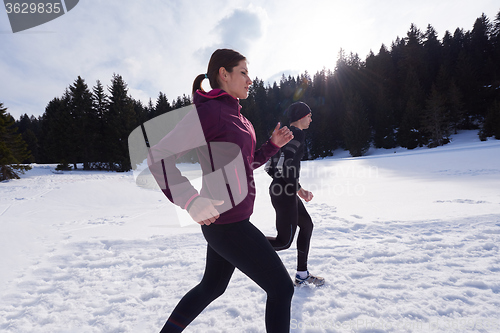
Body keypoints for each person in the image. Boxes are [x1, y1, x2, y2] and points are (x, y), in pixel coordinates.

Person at [147, 49, 295, 333]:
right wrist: (190, 200)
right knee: (281, 289)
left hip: (230, 222)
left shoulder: (240, 118)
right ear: (223, 75)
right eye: (243, 72)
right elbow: (158, 156)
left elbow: (245, 163)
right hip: (226, 225)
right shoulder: (209, 112)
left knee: (211, 287)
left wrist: (271, 146)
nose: (250, 79)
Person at [265, 101, 325, 286]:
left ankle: (302, 274)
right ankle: (242, 244)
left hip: (282, 189)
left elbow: (270, 167)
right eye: (309, 115)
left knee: (306, 225)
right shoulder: (297, 134)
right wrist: (296, 188)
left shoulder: (284, 135)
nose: (311, 119)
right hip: (285, 193)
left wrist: (294, 187)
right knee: (283, 242)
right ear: (301, 116)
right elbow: (285, 165)